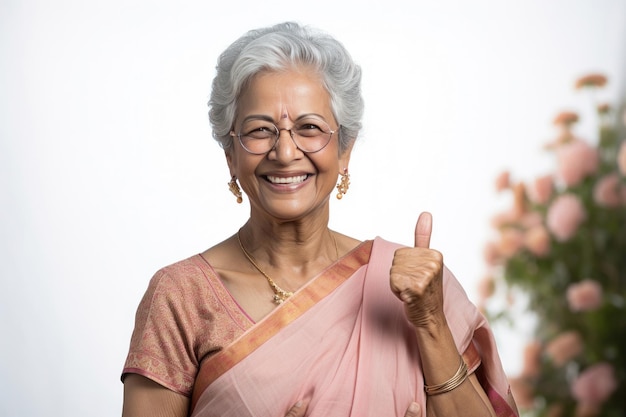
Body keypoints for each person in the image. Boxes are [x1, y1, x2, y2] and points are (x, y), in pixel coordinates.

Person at [120, 21, 519, 417]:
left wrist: (430, 321)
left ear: (344, 151)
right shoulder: (182, 297)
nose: (285, 152)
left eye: (309, 128)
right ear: (231, 154)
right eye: (260, 130)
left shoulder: (415, 287)